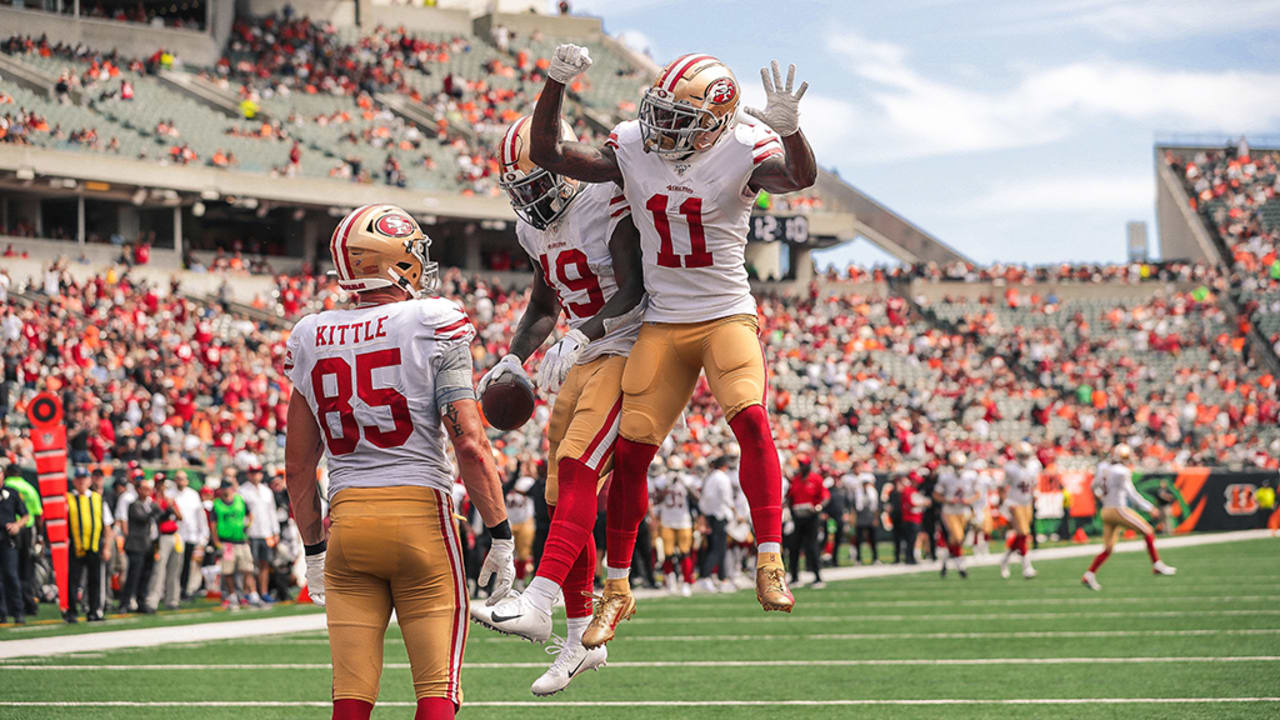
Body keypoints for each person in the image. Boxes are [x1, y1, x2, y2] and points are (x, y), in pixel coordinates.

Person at [529, 44, 817, 647]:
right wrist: (554, 83)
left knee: (752, 423)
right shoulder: (635, 144)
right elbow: (550, 153)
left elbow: (797, 177)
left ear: (718, 120)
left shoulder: (743, 149)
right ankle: (617, 590)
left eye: (682, 120)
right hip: (661, 319)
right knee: (631, 457)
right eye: (661, 113)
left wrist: (793, 134)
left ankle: (769, 559)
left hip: (723, 315)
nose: (664, 129)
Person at [284, 203, 515, 720]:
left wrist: (314, 550)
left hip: (346, 525)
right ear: (393, 261)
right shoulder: (433, 320)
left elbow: (297, 467)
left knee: (351, 699)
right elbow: (471, 445)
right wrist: (500, 532)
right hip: (420, 520)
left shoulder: (310, 335)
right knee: (436, 691)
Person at [467, 113, 644, 696]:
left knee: (576, 470)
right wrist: (514, 357)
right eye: (522, 192)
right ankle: (577, 646)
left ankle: (539, 602)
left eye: (539, 186)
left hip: (629, 347)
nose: (533, 201)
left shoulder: (602, 199)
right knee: (565, 496)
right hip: (583, 358)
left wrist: (583, 334)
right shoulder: (531, 231)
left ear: (565, 174)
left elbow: (635, 286)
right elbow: (544, 306)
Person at [1082, 445, 1176, 591]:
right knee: (1148, 531)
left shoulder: (1103, 468)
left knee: (1108, 549)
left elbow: (1093, 486)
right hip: (1118, 509)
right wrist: (1149, 507)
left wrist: (1101, 498)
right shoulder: (1122, 471)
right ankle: (1157, 564)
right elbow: (1132, 494)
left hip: (1106, 510)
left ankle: (1089, 574)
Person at [66, 467, 112, 622]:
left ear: (89, 480)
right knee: (72, 581)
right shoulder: (68, 498)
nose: (81, 481)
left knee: (96, 581)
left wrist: (106, 547)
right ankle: (71, 612)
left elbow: (107, 526)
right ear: (74, 481)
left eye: (84, 478)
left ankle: (94, 611)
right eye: (78, 478)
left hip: (94, 546)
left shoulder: (98, 499)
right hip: (75, 546)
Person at [654, 456, 696, 596]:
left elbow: (696, 498)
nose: (675, 472)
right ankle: (670, 581)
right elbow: (657, 499)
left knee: (685, 553)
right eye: (672, 469)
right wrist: (667, 484)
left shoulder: (687, 480)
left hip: (684, 521)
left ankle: (686, 583)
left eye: (677, 470)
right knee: (668, 554)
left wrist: (685, 484)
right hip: (667, 521)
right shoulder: (662, 480)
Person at [238, 465, 280, 604]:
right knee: (249, 565)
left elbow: (272, 512)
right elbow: (242, 514)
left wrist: (275, 531)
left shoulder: (266, 491)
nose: (255, 476)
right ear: (249, 475)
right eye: (253, 473)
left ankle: (264, 592)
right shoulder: (242, 491)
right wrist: (244, 532)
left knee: (264, 564)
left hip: (266, 532)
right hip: (251, 532)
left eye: (257, 473)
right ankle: (249, 592)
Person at [3, 464, 42, 615]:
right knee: (27, 570)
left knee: (10, 570)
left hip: (7, 530)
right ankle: (29, 603)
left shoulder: (7, 487)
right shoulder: (29, 488)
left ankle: (10, 605)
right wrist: (39, 536)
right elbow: (38, 514)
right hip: (27, 530)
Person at [211, 480, 255, 609]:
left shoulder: (239, 500)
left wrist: (248, 527)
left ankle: (249, 594)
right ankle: (232, 595)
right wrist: (215, 541)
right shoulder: (217, 504)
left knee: (247, 568)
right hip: (227, 542)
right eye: (223, 488)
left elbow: (250, 514)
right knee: (228, 570)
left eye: (228, 487)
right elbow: (213, 524)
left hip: (241, 540)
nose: (226, 490)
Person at [786, 455, 828, 588]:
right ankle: (795, 577)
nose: (801, 466)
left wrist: (818, 507)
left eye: (803, 464)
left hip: (811, 517)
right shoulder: (796, 480)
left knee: (812, 547)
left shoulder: (816, 479)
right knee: (794, 548)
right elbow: (790, 497)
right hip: (797, 517)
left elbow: (825, 496)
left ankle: (817, 577)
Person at [144, 474, 184, 612]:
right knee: (158, 570)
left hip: (174, 535)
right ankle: (152, 601)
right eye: (159, 483)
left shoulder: (169, 499)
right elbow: (158, 518)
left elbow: (180, 517)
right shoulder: (153, 500)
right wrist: (165, 507)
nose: (162, 486)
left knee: (174, 570)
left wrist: (171, 506)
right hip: (161, 537)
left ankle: (172, 600)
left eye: (163, 483)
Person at [1000, 442, 1040, 579]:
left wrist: (1036, 493)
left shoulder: (1035, 465)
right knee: (1024, 533)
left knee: (1021, 535)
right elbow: (1002, 487)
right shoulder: (1010, 468)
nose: (1024, 458)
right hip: (1014, 503)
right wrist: (1006, 501)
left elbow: (1035, 483)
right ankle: (1027, 567)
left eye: (1026, 455)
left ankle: (1005, 559)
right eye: (1021, 455)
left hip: (1027, 503)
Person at [934, 452, 976, 579]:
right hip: (949, 511)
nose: (959, 469)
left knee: (954, 540)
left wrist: (970, 500)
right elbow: (936, 495)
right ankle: (961, 567)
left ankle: (945, 564)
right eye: (957, 466)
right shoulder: (945, 477)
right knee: (958, 538)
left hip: (963, 511)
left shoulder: (971, 476)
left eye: (961, 466)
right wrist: (947, 500)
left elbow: (978, 493)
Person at [121, 478, 160, 612]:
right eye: (145, 489)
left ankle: (141, 601)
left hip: (149, 544)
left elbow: (161, 515)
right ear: (138, 490)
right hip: (136, 545)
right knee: (134, 575)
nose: (148, 492)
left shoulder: (150, 504)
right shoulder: (134, 504)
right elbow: (143, 518)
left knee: (145, 575)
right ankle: (125, 602)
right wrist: (154, 509)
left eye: (149, 489)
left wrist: (166, 508)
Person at [698, 454, 735, 591]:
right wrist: (734, 511)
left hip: (711, 515)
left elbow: (705, 499)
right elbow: (726, 498)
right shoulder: (722, 478)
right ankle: (707, 576)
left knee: (717, 548)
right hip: (719, 515)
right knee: (718, 549)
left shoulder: (710, 478)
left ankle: (720, 577)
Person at [169, 470, 208, 599]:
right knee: (174, 566)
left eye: (183, 479)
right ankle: (172, 592)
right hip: (175, 535)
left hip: (190, 535)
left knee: (187, 565)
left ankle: (184, 590)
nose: (180, 481)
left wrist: (203, 535)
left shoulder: (193, 495)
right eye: (178, 479)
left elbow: (200, 517)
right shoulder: (170, 494)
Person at [0, 471, 29, 623]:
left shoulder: (11, 493)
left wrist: (17, 525)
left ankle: (18, 612)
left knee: (11, 575)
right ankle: (1, 614)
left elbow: (25, 515)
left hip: (7, 540)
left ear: (2, 476)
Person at [851, 471, 880, 565]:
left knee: (873, 539)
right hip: (860, 518)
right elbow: (855, 508)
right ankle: (858, 559)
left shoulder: (873, 492)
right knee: (859, 539)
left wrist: (876, 519)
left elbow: (875, 507)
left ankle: (875, 558)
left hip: (870, 517)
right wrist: (854, 519)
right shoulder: (857, 493)